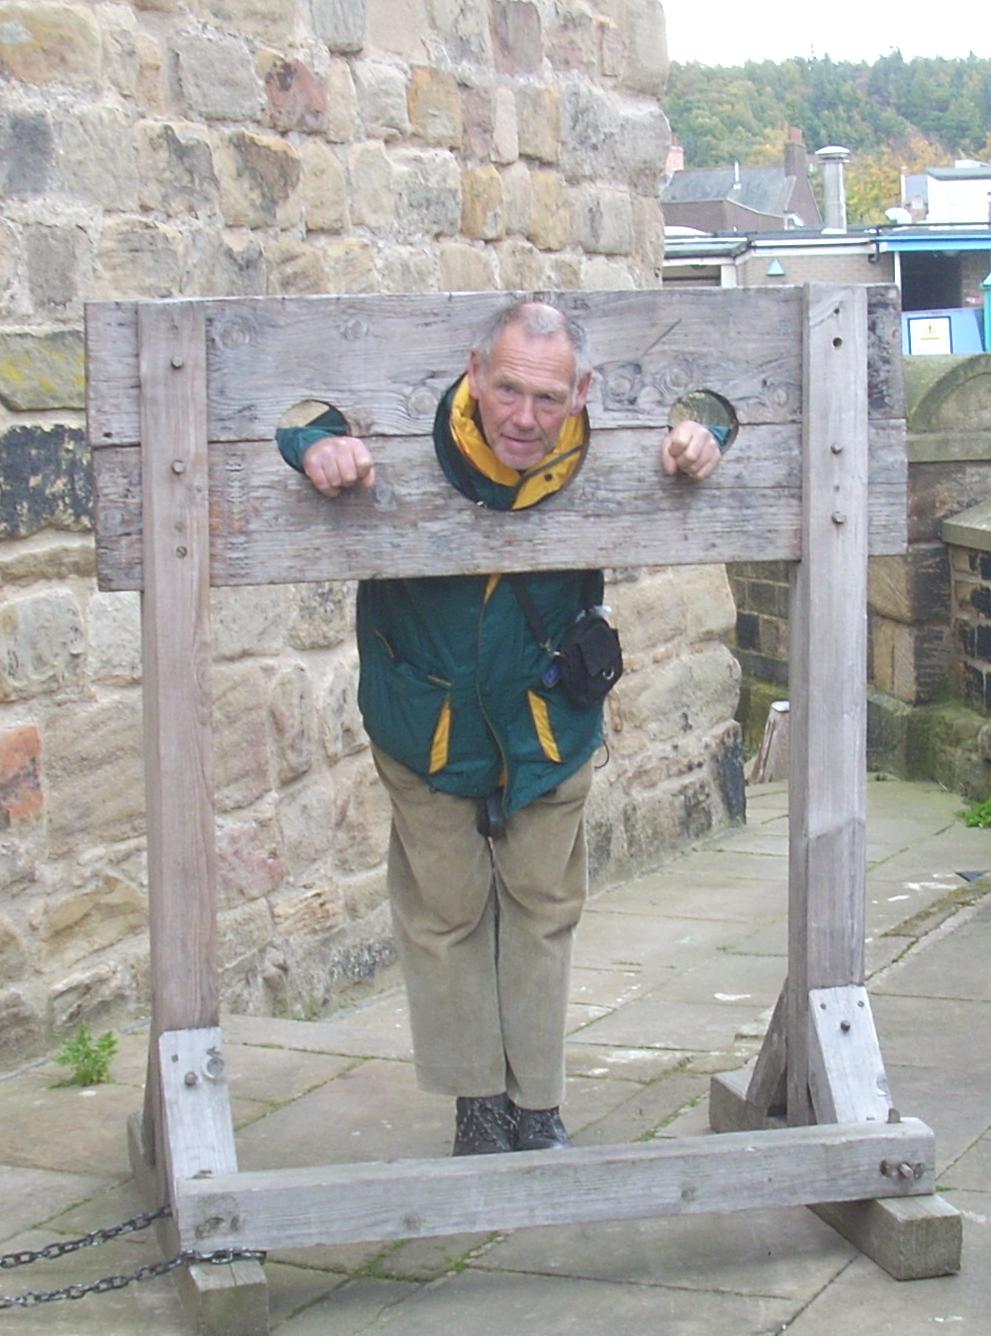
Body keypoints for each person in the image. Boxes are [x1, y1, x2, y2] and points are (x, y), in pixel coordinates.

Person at [277, 301, 724, 1156]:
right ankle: (477, 1103)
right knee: (444, 913)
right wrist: (313, 446)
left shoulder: (605, 438)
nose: (523, 416)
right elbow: (290, 422)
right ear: (474, 372)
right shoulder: (415, 419)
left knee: (543, 907)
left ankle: (537, 1105)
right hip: (426, 716)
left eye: (548, 398)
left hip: (546, 719)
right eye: (507, 389)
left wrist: (710, 434)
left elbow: (726, 408)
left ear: (583, 392)